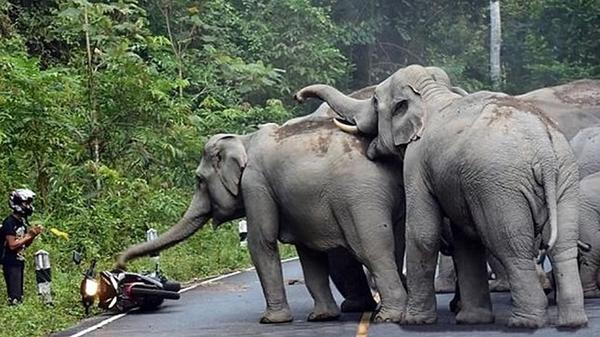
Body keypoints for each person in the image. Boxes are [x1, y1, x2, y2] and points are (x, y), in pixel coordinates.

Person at [0, 189, 43, 305]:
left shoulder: (21, 222)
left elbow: (24, 243)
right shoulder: (9, 222)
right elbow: (12, 245)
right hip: (10, 262)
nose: (29, 206)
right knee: (15, 296)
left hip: (19, 261)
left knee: (19, 294)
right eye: (26, 203)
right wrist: (29, 234)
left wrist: (32, 235)